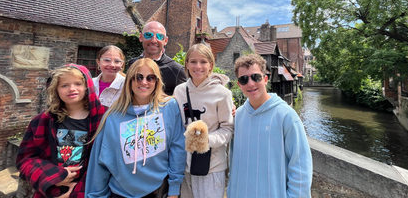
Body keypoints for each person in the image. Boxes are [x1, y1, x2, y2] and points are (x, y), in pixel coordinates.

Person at [85, 58, 186, 198]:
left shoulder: (169, 107)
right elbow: (100, 161)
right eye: (138, 77)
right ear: (129, 81)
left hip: (158, 191)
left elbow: (177, 148)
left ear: (157, 81)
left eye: (150, 78)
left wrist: (174, 189)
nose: (144, 82)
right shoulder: (113, 116)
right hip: (120, 192)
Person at [227, 53, 312, 198]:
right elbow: (233, 161)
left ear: (265, 79)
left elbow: (300, 166)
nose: (251, 84)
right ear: (239, 84)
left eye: (256, 77)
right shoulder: (238, 116)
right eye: (244, 79)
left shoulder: (286, 116)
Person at [16, 64, 107, 198]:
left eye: (78, 83)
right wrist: (54, 176)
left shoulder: (104, 119)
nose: (72, 89)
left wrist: (77, 191)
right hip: (51, 190)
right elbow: (25, 159)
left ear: (87, 86)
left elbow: (109, 162)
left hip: (88, 190)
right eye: (64, 85)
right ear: (56, 89)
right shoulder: (42, 121)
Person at [173, 43, 234, 198]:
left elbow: (228, 128)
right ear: (186, 64)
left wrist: (206, 140)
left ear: (211, 65)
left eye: (203, 62)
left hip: (211, 166)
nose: (198, 66)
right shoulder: (179, 91)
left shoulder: (223, 94)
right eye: (193, 61)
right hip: (183, 165)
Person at [128, 21, 187, 96]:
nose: (154, 40)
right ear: (141, 37)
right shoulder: (132, 64)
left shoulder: (176, 70)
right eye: (148, 35)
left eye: (159, 36)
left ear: (165, 41)